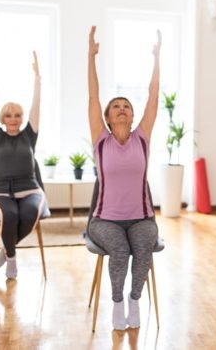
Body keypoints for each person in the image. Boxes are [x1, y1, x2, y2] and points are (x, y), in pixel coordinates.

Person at [86, 26, 161, 330]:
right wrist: (90, 56)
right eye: (116, 106)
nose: (121, 109)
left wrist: (156, 58)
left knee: (142, 247)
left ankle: (134, 299)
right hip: (104, 220)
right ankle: (117, 303)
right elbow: (93, 95)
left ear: (132, 116)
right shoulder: (100, 140)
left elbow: (154, 96)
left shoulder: (142, 138)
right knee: (120, 250)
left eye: (126, 106)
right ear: (107, 117)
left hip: (142, 218)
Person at [0, 50, 49, 279]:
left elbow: (36, 104)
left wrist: (37, 78)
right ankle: (12, 260)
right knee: (8, 215)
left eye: (17, 115)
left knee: (29, 214)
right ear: (2, 118)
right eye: (8, 115)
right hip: (0, 192)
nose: (13, 119)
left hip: (30, 189)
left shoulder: (30, 134)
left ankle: (6, 249)